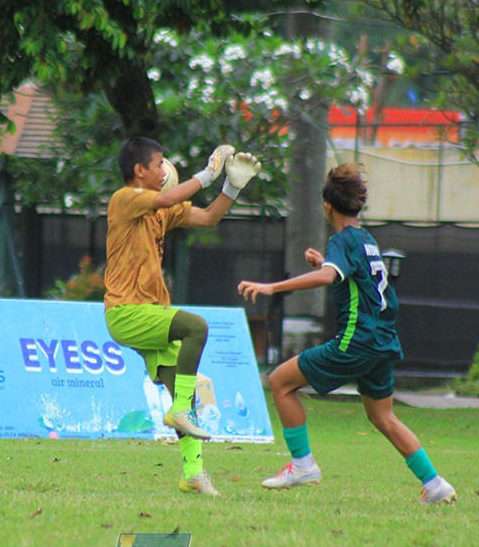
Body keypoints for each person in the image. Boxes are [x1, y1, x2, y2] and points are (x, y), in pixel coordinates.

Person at [237, 163, 456, 505]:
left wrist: (272, 287)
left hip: (357, 342)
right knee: (383, 416)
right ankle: (435, 484)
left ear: (327, 205)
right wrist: (326, 262)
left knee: (280, 381)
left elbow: (329, 279)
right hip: (382, 342)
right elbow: (355, 281)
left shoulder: (343, 239)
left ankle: (302, 465)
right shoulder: (366, 240)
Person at [105, 137, 261, 496]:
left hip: (150, 314)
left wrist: (231, 186)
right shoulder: (124, 198)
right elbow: (165, 198)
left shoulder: (160, 210)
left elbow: (208, 217)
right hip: (127, 312)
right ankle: (178, 411)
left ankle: (192, 473)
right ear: (139, 171)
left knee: (184, 393)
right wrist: (208, 173)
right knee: (196, 327)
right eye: (159, 164)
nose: (164, 170)